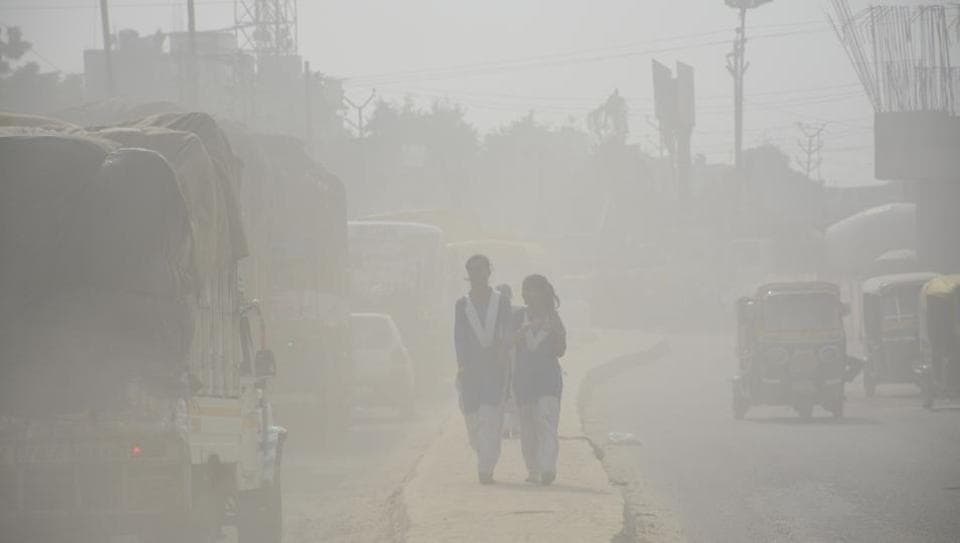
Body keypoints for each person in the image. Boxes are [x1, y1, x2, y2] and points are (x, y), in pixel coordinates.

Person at [454, 255, 512, 484]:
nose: (477, 275)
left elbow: (505, 332)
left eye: (481, 270)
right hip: (470, 371)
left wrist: (502, 355)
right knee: (473, 421)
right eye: (473, 271)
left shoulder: (502, 302)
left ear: (489, 272)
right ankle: (484, 457)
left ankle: (485, 469)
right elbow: (459, 338)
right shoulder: (462, 305)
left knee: (490, 416)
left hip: (493, 369)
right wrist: (462, 366)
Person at [513, 274, 566, 486]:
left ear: (543, 294)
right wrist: (524, 331)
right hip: (524, 380)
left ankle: (547, 467)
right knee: (527, 427)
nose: (530, 295)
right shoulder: (518, 318)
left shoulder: (554, 320)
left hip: (548, 380)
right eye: (527, 291)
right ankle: (533, 469)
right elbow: (507, 341)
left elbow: (561, 350)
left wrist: (550, 332)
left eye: (535, 291)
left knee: (546, 422)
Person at [496, 284, 521, 439]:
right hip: (502, 357)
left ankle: (512, 427)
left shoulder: (519, 312)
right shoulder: (492, 316)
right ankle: (508, 427)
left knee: (513, 390)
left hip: (515, 356)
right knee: (505, 391)